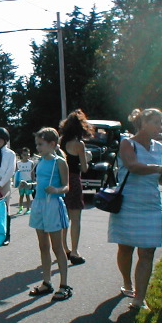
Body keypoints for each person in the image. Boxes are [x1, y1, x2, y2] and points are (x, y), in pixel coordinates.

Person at [108, 108, 162, 311]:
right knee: (126, 248)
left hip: (151, 204)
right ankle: (127, 283)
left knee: (147, 252)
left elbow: (156, 175)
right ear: (143, 123)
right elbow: (133, 166)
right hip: (128, 203)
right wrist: (159, 169)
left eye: (161, 122)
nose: (160, 126)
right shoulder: (127, 143)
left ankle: (139, 298)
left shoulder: (158, 147)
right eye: (156, 122)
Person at [27, 127, 72, 301]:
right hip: (38, 204)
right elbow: (38, 183)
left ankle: (64, 285)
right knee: (43, 246)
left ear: (52, 144)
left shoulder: (59, 162)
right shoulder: (40, 162)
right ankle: (46, 282)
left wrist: (56, 190)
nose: (38, 148)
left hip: (53, 205)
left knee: (57, 247)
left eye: (41, 144)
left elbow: (67, 187)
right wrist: (29, 185)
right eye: (37, 144)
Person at [59, 109, 94, 265]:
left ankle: (64, 248)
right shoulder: (79, 144)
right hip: (74, 179)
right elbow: (85, 168)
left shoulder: (61, 141)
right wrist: (87, 157)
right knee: (76, 218)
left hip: (61, 180)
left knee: (64, 217)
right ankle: (74, 251)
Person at [15, 147, 34, 215]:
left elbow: (32, 172)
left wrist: (33, 181)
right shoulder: (18, 163)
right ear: (22, 155)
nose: (26, 156)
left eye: (27, 155)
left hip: (28, 181)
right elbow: (16, 173)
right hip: (21, 182)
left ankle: (28, 208)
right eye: (24, 155)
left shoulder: (31, 163)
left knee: (28, 195)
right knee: (21, 195)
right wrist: (16, 182)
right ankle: (20, 208)